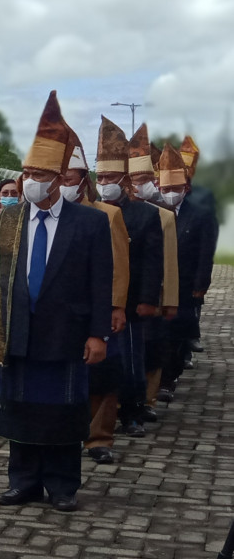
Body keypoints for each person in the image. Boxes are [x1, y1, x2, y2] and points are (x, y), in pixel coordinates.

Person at [0, 91, 113, 512]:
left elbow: (100, 281)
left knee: (63, 410)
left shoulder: (90, 223)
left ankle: (62, 486)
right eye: (25, 172)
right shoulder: (9, 219)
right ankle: (23, 482)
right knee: (20, 408)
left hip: (67, 333)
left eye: (38, 172)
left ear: (59, 177)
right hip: (18, 331)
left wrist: (98, 333)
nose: (28, 180)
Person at [60, 130, 133, 465]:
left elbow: (118, 264)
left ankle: (99, 437)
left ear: (81, 179)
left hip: (98, 309)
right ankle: (65, 432)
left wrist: (116, 306)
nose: (60, 183)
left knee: (103, 373)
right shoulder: (43, 215)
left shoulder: (107, 214)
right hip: (62, 311)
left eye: (67, 177)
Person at [92, 117, 163, 448]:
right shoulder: (89, 212)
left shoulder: (145, 215)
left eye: (109, 177)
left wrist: (148, 299)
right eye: (100, 176)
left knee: (132, 360)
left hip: (131, 301)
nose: (104, 182)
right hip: (94, 299)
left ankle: (132, 411)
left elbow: (151, 262)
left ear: (124, 178)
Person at [157, 144, 218, 403]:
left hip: (184, 285)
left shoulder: (201, 216)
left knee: (177, 334)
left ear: (186, 188)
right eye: (165, 190)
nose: (169, 194)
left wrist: (200, 285)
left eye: (174, 189)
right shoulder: (153, 212)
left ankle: (169, 377)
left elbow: (206, 253)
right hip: (156, 285)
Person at [126, 125, 179, 423]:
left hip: (151, 294)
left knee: (152, 346)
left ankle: (148, 398)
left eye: (144, 179)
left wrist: (167, 298)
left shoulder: (162, 214)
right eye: (133, 178)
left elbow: (168, 263)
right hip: (124, 295)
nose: (138, 184)